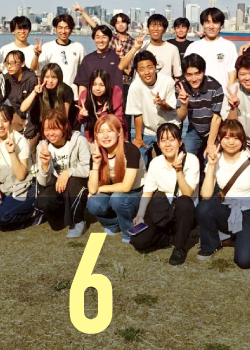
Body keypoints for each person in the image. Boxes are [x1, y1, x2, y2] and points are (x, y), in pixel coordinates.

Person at [195, 120, 250, 269]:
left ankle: (241, 236)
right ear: (219, 139)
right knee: (204, 207)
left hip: (249, 210)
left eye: (236, 137)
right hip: (226, 208)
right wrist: (211, 166)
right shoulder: (216, 158)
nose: (231, 142)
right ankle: (211, 245)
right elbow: (206, 195)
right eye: (226, 137)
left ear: (242, 140)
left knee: (245, 261)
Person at [131, 123, 200, 265]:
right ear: (158, 144)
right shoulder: (156, 163)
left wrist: (179, 170)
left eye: (171, 139)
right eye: (163, 140)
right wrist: (140, 215)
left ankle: (179, 248)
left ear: (180, 142)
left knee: (183, 202)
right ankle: (170, 237)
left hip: (184, 211)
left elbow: (187, 193)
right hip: (164, 210)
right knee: (139, 242)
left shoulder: (191, 160)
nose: (167, 144)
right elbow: (147, 191)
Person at [87, 115, 145, 243]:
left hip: (136, 192)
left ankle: (130, 232)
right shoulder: (97, 153)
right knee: (93, 202)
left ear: (119, 132)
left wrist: (100, 188)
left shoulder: (131, 150)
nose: (105, 136)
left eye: (109, 131)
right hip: (114, 191)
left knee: (117, 198)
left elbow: (126, 187)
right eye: (101, 132)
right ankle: (113, 224)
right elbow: (92, 189)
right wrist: (96, 164)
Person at [35, 110, 91, 238]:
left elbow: (88, 168)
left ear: (65, 127)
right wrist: (45, 166)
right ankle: (63, 217)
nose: (50, 133)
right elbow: (43, 182)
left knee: (72, 181)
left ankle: (78, 221)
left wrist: (68, 172)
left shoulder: (79, 141)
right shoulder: (42, 147)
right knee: (44, 201)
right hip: (56, 184)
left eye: (55, 129)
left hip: (77, 183)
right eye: (47, 129)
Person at [125, 51, 179, 162]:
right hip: (148, 130)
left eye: (150, 67)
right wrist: (138, 138)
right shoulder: (135, 87)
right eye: (141, 69)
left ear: (155, 67)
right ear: (137, 71)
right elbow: (137, 114)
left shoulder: (167, 81)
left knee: (171, 160)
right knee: (139, 158)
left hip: (168, 126)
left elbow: (172, 107)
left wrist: (162, 103)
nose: (147, 72)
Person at [176, 54, 224, 164]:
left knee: (211, 157)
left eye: (197, 73)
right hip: (194, 128)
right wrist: (184, 105)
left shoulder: (215, 87)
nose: (194, 79)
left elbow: (216, 118)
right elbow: (181, 116)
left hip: (215, 128)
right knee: (186, 156)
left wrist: (210, 143)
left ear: (203, 71)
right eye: (189, 75)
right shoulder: (181, 87)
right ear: (184, 74)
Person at [184, 8, 238, 88]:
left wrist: (227, 94)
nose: (211, 26)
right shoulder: (193, 47)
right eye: (207, 22)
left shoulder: (229, 46)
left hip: (223, 94)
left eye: (215, 22)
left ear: (221, 25)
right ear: (203, 24)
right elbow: (186, 73)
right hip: (198, 95)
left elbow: (232, 75)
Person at [35, 14, 85, 99]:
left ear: (71, 29)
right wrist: (36, 55)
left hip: (73, 95)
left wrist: (82, 96)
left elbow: (83, 74)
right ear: (55, 29)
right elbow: (39, 72)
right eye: (60, 28)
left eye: (67, 28)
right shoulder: (47, 47)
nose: (63, 31)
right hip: (52, 95)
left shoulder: (78, 47)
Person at [120, 14, 182, 80]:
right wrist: (135, 48)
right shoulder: (141, 46)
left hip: (163, 86)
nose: (155, 29)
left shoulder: (172, 49)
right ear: (148, 29)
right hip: (141, 86)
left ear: (165, 30)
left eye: (159, 26)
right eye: (152, 26)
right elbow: (121, 66)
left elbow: (177, 76)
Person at [21, 63, 76, 129]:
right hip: (42, 125)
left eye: (54, 77)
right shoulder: (38, 88)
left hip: (60, 125)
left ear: (59, 78)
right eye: (47, 77)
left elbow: (64, 116)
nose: (50, 81)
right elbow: (23, 108)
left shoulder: (66, 90)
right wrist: (34, 92)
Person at [0, 50, 39, 143]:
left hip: (33, 117)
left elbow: (35, 108)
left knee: (29, 145)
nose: (9, 66)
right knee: (12, 142)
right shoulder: (6, 78)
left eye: (13, 63)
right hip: (16, 115)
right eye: (7, 63)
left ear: (22, 63)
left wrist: (28, 131)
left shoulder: (31, 79)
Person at [75, 24, 124, 96]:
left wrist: (122, 57)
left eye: (104, 37)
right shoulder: (88, 59)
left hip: (113, 100)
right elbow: (82, 85)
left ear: (110, 39)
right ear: (94, 39)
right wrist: (81, 101)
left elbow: (128, 72)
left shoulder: (116, 57)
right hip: (92, 101)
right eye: (97, 37)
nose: (101, 40)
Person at [78, 70, 125, 141]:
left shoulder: (115, 94)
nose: (97, 88)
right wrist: (82, 115)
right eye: (94, 84)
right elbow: (81, 121)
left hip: (113, 136)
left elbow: (119, 121)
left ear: (107, 84)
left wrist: (104, 114)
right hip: (93, 135)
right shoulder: (85, 96)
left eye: (102, 85)